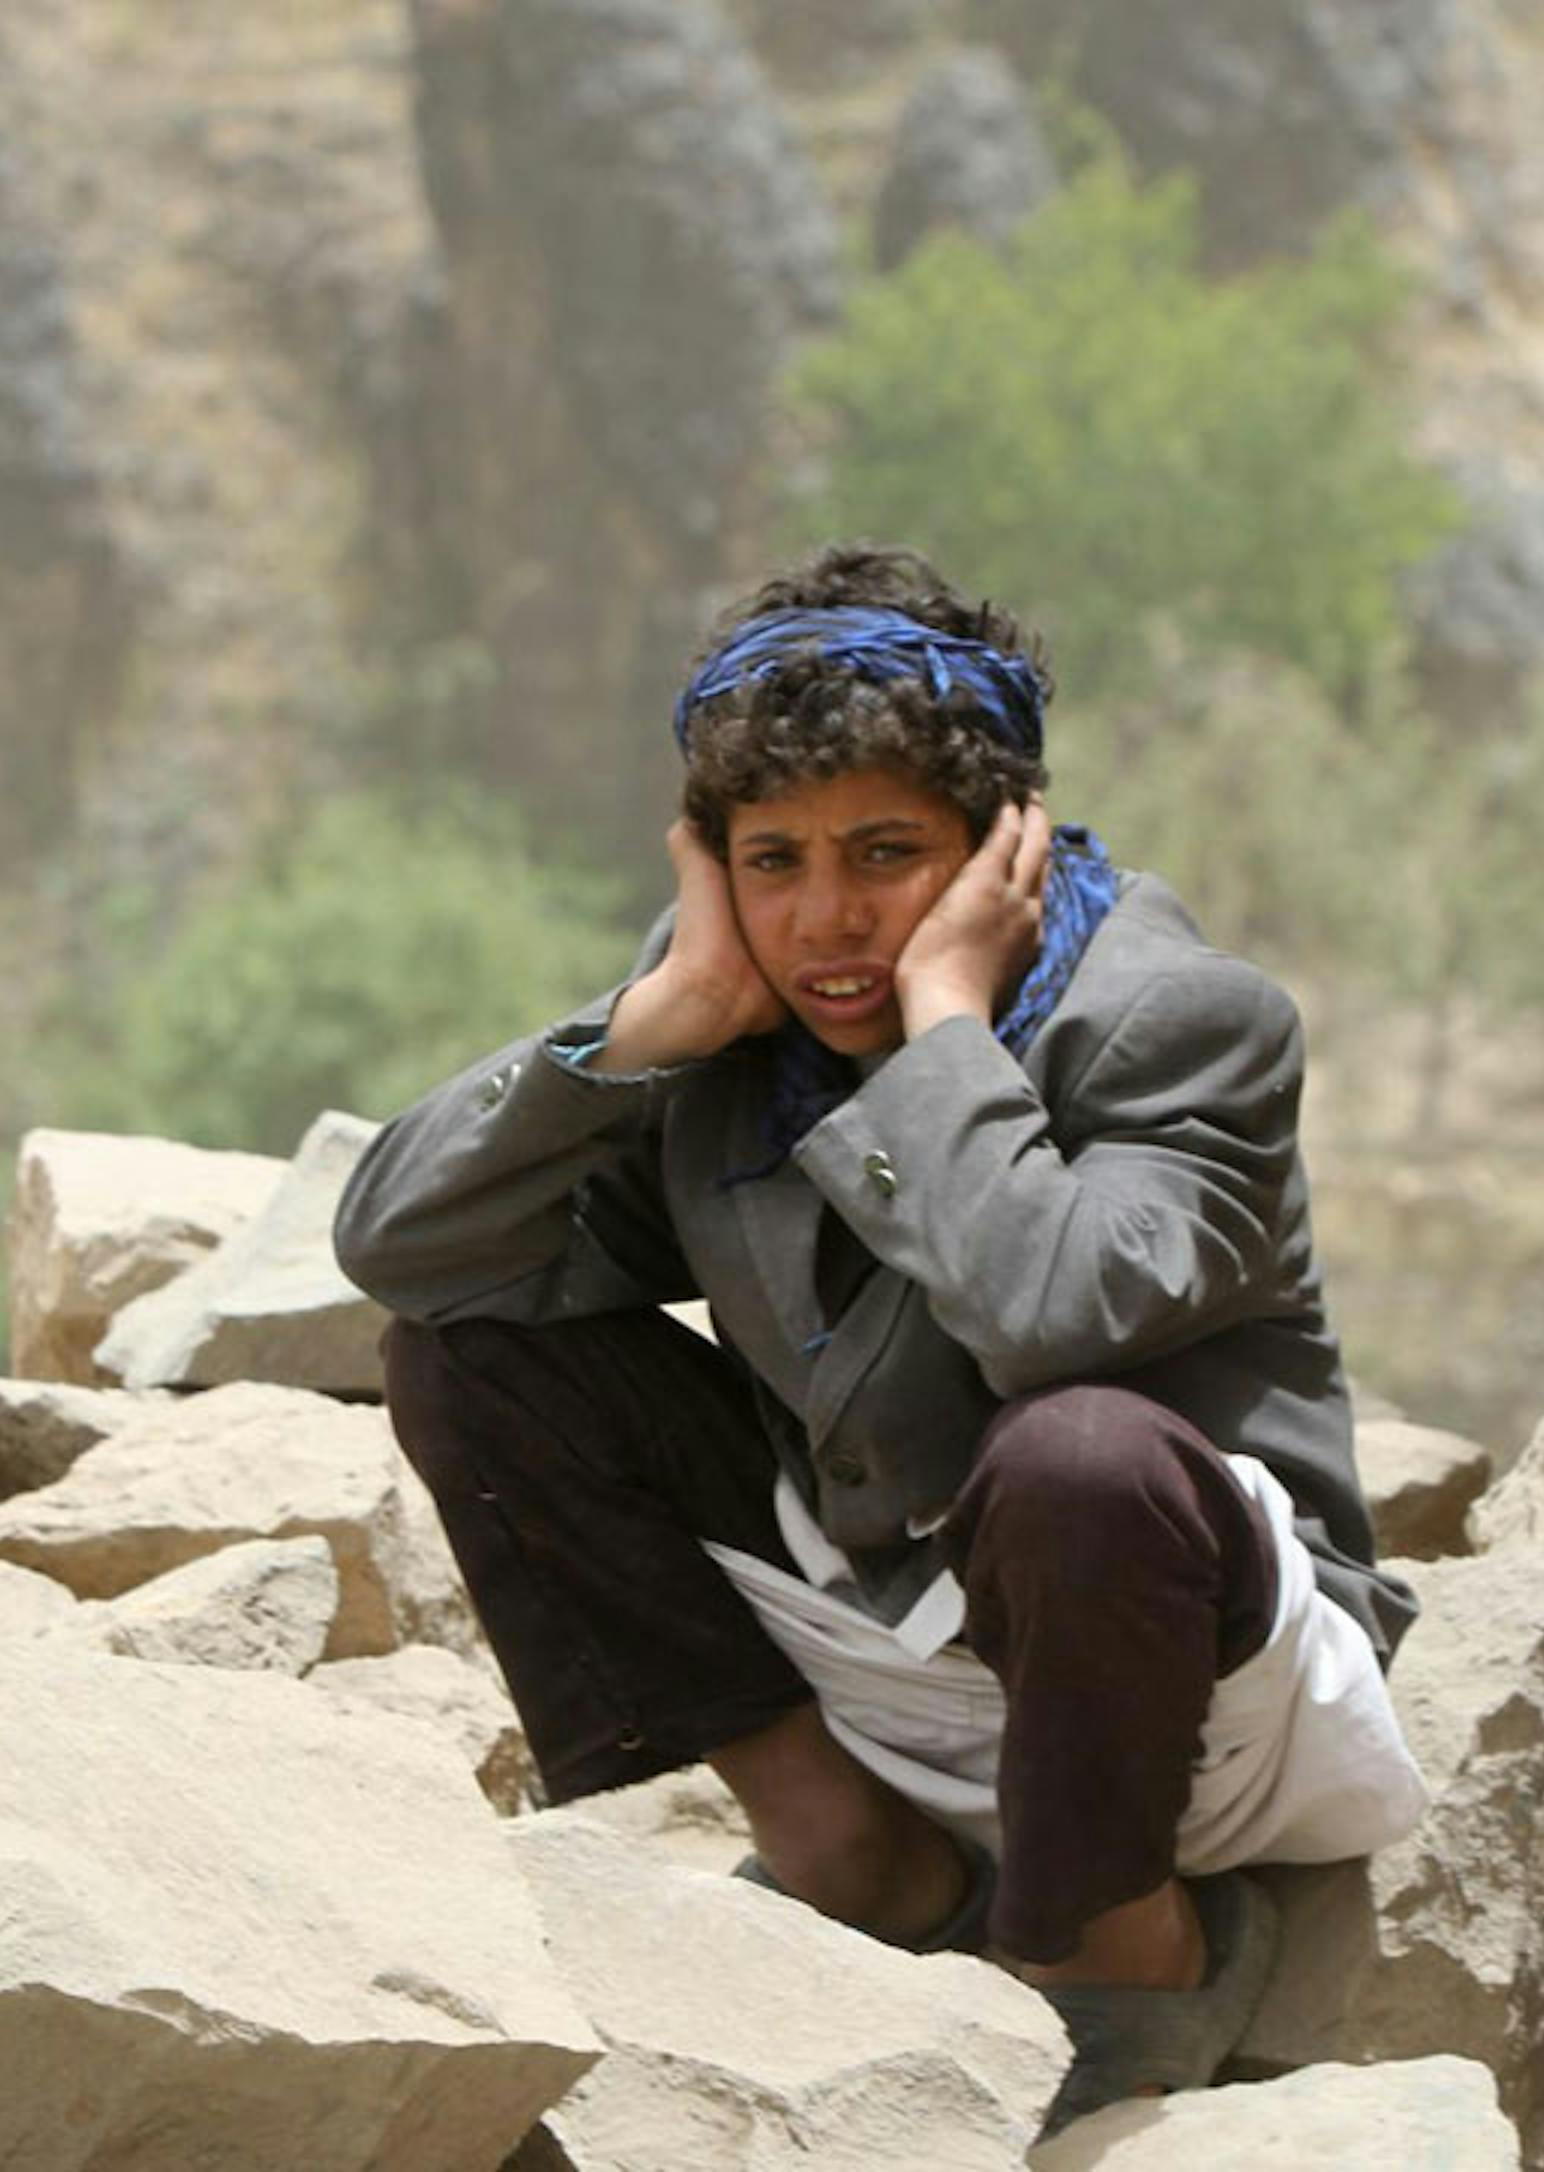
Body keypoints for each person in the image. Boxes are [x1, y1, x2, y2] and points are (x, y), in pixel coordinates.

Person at [331, 542, 1426, 2129]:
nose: (827, 919)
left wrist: (943, 1028)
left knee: (1077, 1453)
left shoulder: (1180, 1020)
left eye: (885, 852)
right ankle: (856, 1855)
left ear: (1002, 847)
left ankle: (1124, 1946)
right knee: (468, 1352)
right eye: (771, 861)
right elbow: (407, 1250)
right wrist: (647, 1029)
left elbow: (1050, 1316)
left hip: (1204, 1679)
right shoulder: (732, 1022)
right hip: (902, 1641)